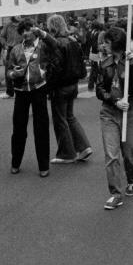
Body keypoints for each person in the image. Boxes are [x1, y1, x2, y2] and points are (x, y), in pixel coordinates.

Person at [95, 26, 133, 210]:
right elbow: (99, 89)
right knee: (111, 154)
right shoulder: (105, 63)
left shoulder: (132, 60)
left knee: (129, 152)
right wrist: (114, 101)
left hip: (131, 111)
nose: (104, 45)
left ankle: (131, 179)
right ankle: (115, 193)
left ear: (116, 43)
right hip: (109, 112)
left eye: (107, 42)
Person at [42, 14, 92, 165]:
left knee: (60, 119)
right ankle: (84, 147)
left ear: (52, 27)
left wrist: (47, 86)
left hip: (60, 86)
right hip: (73, 84)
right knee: (70, 116)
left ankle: (66, 153)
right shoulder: (72, 40)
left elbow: (55, 68)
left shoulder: (56, 43)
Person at [7, 20, 52, 177]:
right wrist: (14, 74)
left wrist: (43, 33)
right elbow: (9, 70)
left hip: (39, 89)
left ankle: (43, 165)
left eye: (29, 30)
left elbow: (56, 46)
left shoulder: (43, 46)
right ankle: (15, 162)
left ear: (34, 30)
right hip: (21, 91)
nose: (26, 33)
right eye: (23, 31)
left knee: (41, 129)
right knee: (18, 129)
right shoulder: (15, 49)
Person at [2, 16, 22, 98]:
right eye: (17, 14)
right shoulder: (7, 25)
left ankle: (21, 90)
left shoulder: (23, 24)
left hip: (21, 48)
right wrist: (5, 45)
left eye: (20, 14)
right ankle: (9, 92)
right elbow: (2, 36)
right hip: (10, 49)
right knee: (8, 70)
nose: (18, 16)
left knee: (21, 68)